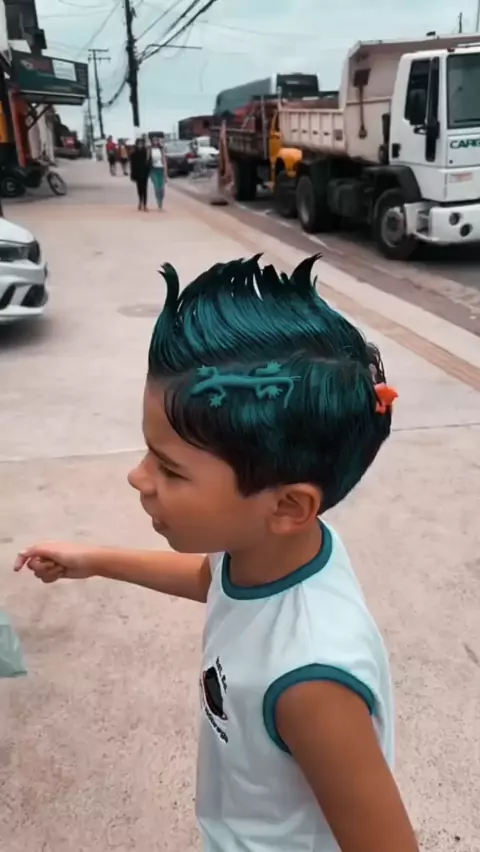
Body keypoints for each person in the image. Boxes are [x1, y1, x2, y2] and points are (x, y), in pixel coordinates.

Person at [15, 255, 418, 852]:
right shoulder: (270, 551)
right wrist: (94, 560)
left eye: (170, 469)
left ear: (288, 505)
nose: (137, 477)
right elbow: (214, 581)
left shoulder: (309, 683)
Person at [129, 137, 151, 211]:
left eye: (141, 143)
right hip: (137, 173)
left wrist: (148, 172)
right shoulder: (134, 153)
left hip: (144, 173)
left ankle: (145, 205)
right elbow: (132, 165)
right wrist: (132, 175)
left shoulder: (146, 152)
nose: (140, 145)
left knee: (145, 189)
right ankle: (140, 201)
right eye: (139, 143)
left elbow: (148, 162)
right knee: (139, 189)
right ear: (136, 144)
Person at [149, 136, 167, 209]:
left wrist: (165, 174)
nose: (155, 142)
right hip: (154, 169)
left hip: (161, 169)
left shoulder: (161, 149)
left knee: (161, 188)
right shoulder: (150, 150)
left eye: (156, 140)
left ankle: (161, 200)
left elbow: (164, 161)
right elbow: (147, 161)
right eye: (154, 141)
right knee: (157, 187)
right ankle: (158, 202)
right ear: (152, 142)